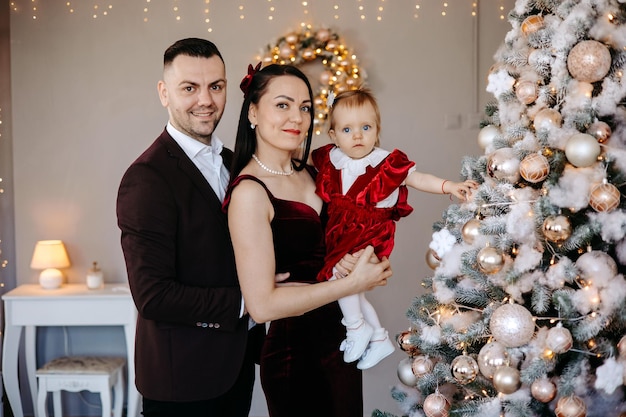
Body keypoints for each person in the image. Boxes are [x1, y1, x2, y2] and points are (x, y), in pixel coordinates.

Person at [223, 64, 393, 417]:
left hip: (341, 344)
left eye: (304, 107)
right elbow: (263, 306)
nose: (297, 118)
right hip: (293, 356)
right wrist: (350, 283)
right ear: (253, 111)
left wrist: (363, 261)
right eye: (283, 105)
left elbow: (343, 240)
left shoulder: (317, 171)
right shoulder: (250, 192)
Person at [116, 38, 264, 417]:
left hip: (235, 367)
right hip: (181, 381)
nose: (206, 100)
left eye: (216, 86)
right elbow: (153, 297)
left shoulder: (235, 163)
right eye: (190, 88)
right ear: (164, 94)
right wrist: (250, 302)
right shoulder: (147, 178)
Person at [311, 88, 478, 369]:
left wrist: (449, 186)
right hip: (340, 231)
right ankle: (376, 337)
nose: (357, 135)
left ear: (377, 131)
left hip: (369, 231)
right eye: (347, 129)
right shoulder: (331, 161)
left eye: (366, 127)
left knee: (340, 278)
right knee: (346, 284)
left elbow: (419, 179)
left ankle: (356, 328)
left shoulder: (385, 163)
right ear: (334, 136)